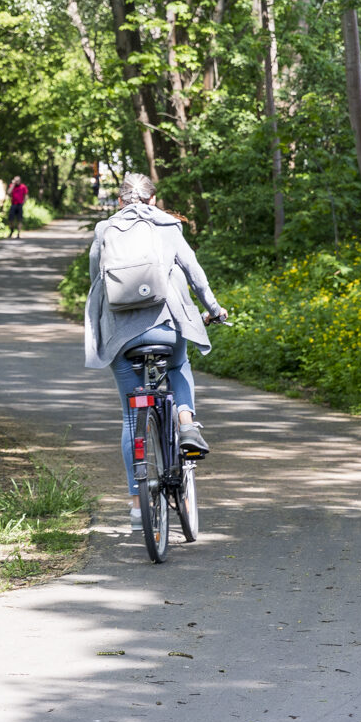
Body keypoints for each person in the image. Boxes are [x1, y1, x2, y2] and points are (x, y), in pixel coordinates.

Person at [82, 173, 227, 526]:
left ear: (120, 201)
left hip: (121, 335)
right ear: (152, 199)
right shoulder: (167, 226)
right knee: (177, 367)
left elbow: (95, 279)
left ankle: (136, 503)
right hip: (167, 327)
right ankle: (186, 422)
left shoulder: (105, 230)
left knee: (133, 416)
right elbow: (195, 273)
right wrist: (213, 309)